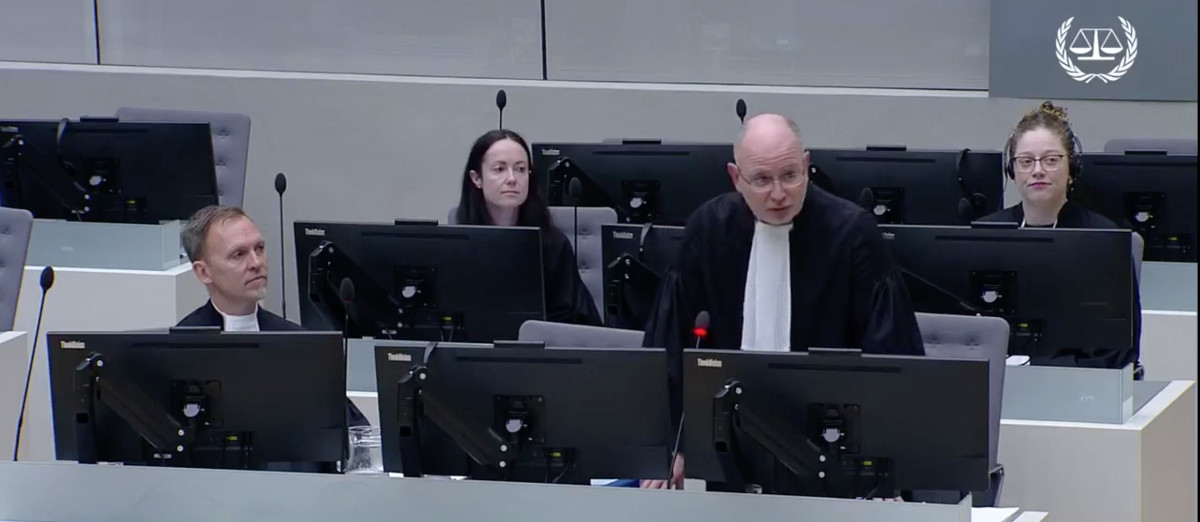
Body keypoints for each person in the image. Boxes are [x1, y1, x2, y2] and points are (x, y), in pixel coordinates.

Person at [640, 113, 925, 489]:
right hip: (728, 450)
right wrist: (670, 446)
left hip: (831, 455)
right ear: (735, 177)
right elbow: (670, 348)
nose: (778, 194)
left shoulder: (852, 234)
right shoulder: (708, 229)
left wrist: (883, 471)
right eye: (761, 180)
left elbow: (889, 360)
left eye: (790, 175)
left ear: (806, 165)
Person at [177, 205, 369, 451]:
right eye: (238, 255)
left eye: (259, 248)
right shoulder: (182, 348)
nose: (256, 263)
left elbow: (354, 433)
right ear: (203, 272)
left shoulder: (301, 344)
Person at [976, 101, 1142, 371]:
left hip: (1077, 382)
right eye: (1026, 161)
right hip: (997, 380)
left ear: (1072, 168)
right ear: (1012, 170)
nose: (1037, 170)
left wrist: (1035, 366)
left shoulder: (1104, 240)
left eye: (1051, 160)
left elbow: (1116, 352)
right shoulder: (985, 234)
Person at [455, 129, 604, 327]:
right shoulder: (457, 246)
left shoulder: (553, 244)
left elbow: (576, 320)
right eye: (499, 169)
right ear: (477, 179)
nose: (512, 179)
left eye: (520, 169)